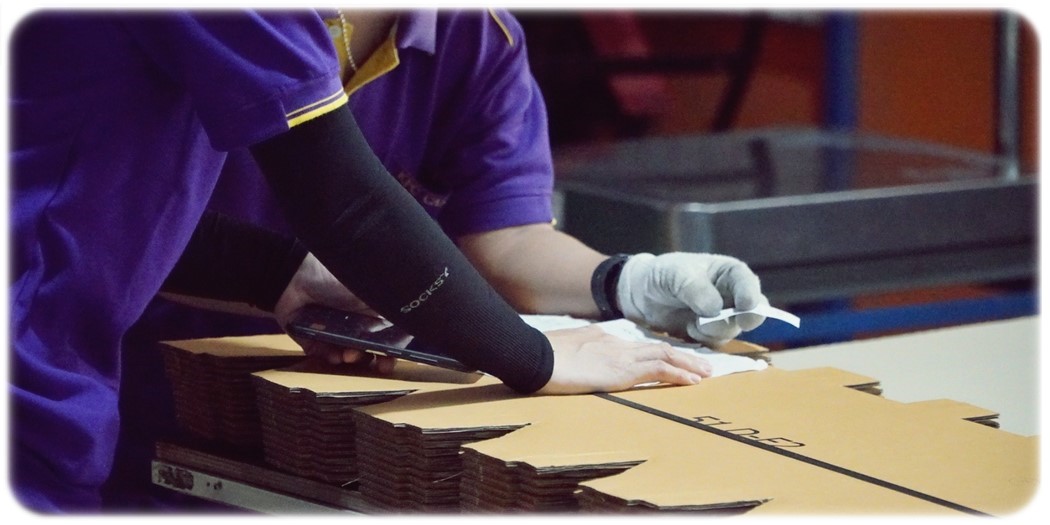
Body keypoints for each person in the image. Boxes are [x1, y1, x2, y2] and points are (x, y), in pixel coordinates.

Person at [10, 9, 765, 513]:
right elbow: (349, 206)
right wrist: (531, 353)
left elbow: (107, 210)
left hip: (102, 389)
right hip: (107, 388)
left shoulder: (479, 36)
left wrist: (625, 281)